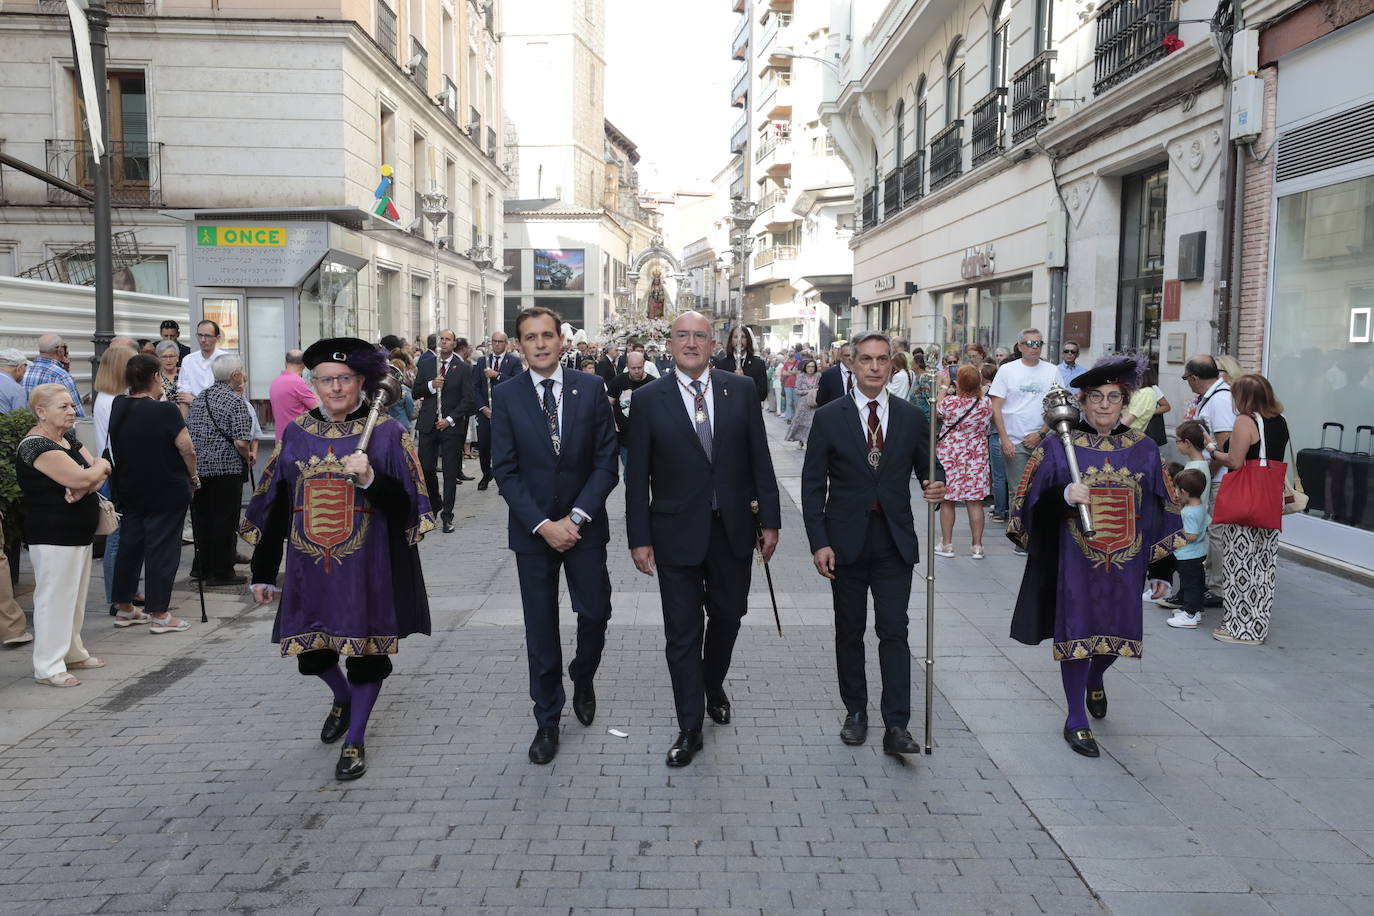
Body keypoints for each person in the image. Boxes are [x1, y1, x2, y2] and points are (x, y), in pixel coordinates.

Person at [243, 337, 434, 781]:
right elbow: (274, 504)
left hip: (367, 571)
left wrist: (370, 479)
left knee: (367, 657)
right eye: (325, 380)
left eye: (344, 379)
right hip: (310, 572)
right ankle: (343, 698)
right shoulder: (296, 433)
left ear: (361, 382)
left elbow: (408, 506)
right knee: (312, 656)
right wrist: (263, 572)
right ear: (313, 384)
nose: (334, 388)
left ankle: (355, 740)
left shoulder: (386, 432)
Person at [626, 311, 781, 767]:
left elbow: (760, 460)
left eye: (700, 336)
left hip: (733, 529)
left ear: (715, 344)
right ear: (669, 345)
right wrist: (639, 537)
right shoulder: (649, 399)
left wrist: (769, 520)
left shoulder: (741, 390)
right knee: (681, 633)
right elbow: (637, 477)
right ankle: (690, 725)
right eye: (682, 336)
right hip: (673, 533)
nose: (691, 343)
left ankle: (713, 681)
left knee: (730, 616)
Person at [1007, 356, 1183, 758]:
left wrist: (1161, 567)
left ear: (1126, 403)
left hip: (1127, 563)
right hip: (1073, 564)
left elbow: (1162, 507)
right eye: (1096, 398)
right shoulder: (1057, 446)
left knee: (1113, 642)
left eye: (1114, 398)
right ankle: (1075, 719)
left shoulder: (1143, 449)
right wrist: (1061, 496)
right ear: (1081, 403)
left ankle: (1094, 679)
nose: (1105, 405)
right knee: (1078, 635)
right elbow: (1026, 503)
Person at [801, 331, 945, 756]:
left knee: (894, 630)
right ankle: (856, 713)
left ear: (892, 364)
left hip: (893, 541)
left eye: (883, 360)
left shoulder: (912, 416)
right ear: (852, 363)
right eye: (866, 359)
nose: (875, 367)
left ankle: (897, 724)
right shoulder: (829, 417)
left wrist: (935, 484)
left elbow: (929, 466)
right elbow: (812, 487)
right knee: (849, 630)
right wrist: (818, 542)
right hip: (844, 541)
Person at [490, 307, 619, 764]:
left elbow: (607, 461)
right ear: (519, 345)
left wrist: (577, 518)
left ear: (562, 340)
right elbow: (503, 469)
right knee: (540, 627)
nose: (541, 344)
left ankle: (583, 674)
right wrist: (544, 525)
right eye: (530, 337)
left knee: (596, 611)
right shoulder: (506, 396)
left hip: (585, 528)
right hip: (533, 534)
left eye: (548, 335)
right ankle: (547, 717)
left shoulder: (591, 388)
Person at [18, 384, 110, 686]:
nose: (72, 411)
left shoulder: (67, 437)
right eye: (64, 407)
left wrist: (95, 473)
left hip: (77, 530)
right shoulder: (36, 446)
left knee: (75, 596)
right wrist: (91, 475)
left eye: (72, 405)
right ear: (41, 412)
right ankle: (48, 665)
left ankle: (72, 652)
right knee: (54, 598)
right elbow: (84, 474)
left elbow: (96, 469)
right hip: (52, 532)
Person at [108, 354, 197, 633]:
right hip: (164, 488)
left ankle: (124, 607)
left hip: (130, 487)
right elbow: (187, 448)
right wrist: (193, 476)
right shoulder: (165, 410)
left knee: (130, 545)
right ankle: (159, 613)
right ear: (155, 377)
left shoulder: (118, 404)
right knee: (162, 550)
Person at [1207, 373, 1289, 645]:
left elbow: (1235, 461)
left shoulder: (1246, 420)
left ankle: (1240, 629)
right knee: (1263, 567)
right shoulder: (1279, 421)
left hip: (1245, 504)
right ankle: (1257, 626)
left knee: (1239, 564)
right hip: (1268, 502)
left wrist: (1210, 448)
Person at [989, 328, 1061, 551]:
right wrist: (1004, 439)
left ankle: (1041, 535)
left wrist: (1042, 432)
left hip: (1044, 439)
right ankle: (1021, 537)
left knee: (1045, 488)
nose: (1035, 348)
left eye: (1039, 343)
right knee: (1020, 490)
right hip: (1015, 440)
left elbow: (1058, 404)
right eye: (1030, 343)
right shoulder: (1007, 370)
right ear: (1020, 346)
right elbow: (996, 406)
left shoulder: (1052, 370)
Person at [186, 355, 253, 586]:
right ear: (235, 375)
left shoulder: (200, 398)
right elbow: (241, 442)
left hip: (200, 469)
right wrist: (249, 457)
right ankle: (222, 572)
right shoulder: (235, 401)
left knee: (203, 519)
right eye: (242, 371)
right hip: (226, 471)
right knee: (225, 521)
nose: (243, 375)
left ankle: (202, 568)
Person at [412, 330, 476, 532]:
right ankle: (434, 503)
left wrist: (450, 420)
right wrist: (431, 385)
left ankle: (447, 515)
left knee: (449, 472)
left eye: (448, 339)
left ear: (454, 343)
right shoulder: (426, 364)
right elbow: (416, 391)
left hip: (450, 427)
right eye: (441, 339)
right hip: (428, 424)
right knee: (427, 469)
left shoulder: (462, 368)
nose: (444, 342)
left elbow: (468, 400)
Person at [1181, 355, 1233, 595]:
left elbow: (1224, 446)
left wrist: (1203, 477)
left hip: (1219, 478)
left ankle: (1217, 587)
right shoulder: (1211, 397)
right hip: (1213, 475)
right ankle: (1211, 581)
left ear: (1194, 378)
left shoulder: (1220, 399)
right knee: (1211, 531)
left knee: (1215, 533)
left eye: (1187, 380)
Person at [92, 341, 137, 611]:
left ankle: (126, 591)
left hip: (115, 470)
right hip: (116, 473)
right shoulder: (112, 401)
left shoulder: (108, 398)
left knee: (122, 537)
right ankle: (116, 596)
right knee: (117, 538)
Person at [935, 365, 993, 559]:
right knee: (975, 503)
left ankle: (947, 544)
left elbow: (937, 410)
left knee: (948, 501)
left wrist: (943, 387)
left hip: (950, 455)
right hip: (976, 455)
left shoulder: (950, 403)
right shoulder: (985, 403)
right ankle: (977, 546)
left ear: (958, 382)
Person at [1165, 468, 1210, 629]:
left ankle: (1189, 614)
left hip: (1187, 555)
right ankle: (1196, 610)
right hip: (1198, 553)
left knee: (1189, 584)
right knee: (1197, 583)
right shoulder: (1201, 507)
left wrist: (1176, 534)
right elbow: (1207, 524)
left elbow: (1192, 535)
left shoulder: (1189, 512)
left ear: (1183, 491)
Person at [607, 350, 653, 473]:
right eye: (633, 368)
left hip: (647, 438)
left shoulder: (652, 383)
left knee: (646, 472)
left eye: (640, 367)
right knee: (630, 473)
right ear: (627, 366)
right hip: (625, 439)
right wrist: (613, 423)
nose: (637, 371)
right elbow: (607, 404)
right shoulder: (618, 381)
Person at [22, 334, 85, 418]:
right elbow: (77, 413)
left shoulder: (25, 370)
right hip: (51, 427)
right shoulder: (61, 376)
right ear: (59, 350)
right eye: (64, 347)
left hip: (28, 425)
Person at [268, 349, 318, 439]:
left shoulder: (275, 382)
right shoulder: (298, 383)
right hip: (297, 441)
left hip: (281, 439)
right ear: (304, 365)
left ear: (285, 362)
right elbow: (319, 409)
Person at [983, 362, 1010, 523]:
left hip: (996, 434)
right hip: (1015, 434)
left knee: (999, 476)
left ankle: (1000, 510)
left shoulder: (993, 393)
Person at [713, 326, 769, 402]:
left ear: (748, 340)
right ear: (731, 340)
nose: (739, 340)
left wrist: (745, 381)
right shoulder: (721, 365)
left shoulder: (759, 364)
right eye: (736, 337)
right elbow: (718, 394)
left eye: (743, 337)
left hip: (750, 411)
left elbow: (762, 395)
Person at [177, 320, 224, 398]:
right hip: (193, 409)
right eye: (200, 335)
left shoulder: (225, 359)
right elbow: (183, 394)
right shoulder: (188, 360)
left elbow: (228, 395)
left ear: (217, 338)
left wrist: (194, 400)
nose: (203, 340)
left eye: (207, 336)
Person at [785, 359, 821, 448]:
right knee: (801, 422)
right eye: (809, 366)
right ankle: (800, 440)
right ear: (805, 367)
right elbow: (797, 390)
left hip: (814, 403)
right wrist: (809, 391)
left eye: (812, 366)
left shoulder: (818, 376)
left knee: (811, 423)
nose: (810, 369)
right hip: (803, 404)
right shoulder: (800, 376)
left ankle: (810, 441)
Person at [154, 340, 192, 418]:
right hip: (163, 418)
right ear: (158, 359)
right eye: (164, 357)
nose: (168, 360)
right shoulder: (155, 377)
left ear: (177, 358)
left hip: (187, 418)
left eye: (171, 356)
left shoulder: (186, 373)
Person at [815, 342, 854, 407]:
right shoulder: (828, 375)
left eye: (853, 355)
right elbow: (821, 401)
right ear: (840, 357)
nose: (850, 358)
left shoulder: (864, 374)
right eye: (847, 355)